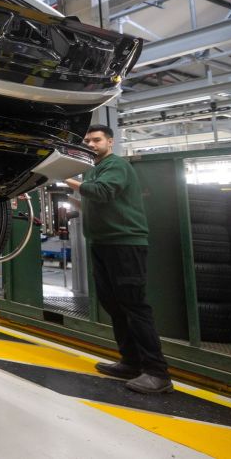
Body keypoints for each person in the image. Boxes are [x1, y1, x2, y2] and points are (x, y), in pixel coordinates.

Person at [66, 124, 172, 394]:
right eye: (87, 140)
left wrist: (62, 176)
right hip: (102, 243)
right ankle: (131, 362)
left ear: (109, 142)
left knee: (134, 305)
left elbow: (101, 192)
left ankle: (157, 373)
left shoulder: (116, 165)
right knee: (113, 305)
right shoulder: (92, 170)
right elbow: (95, 199)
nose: (90, 144)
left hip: (125, 243)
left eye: (96, 140)